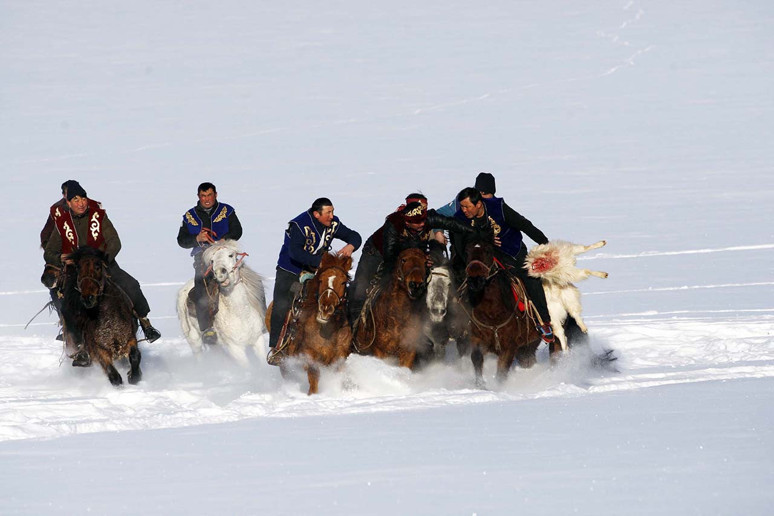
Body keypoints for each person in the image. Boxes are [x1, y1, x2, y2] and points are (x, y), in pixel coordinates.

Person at [43, 183, 161, 366]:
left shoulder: (99, 215)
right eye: (76, 200)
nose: (81, 203)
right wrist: (61, 257)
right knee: (68, 304)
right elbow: (49, 251)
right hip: (77, 271)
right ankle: (80, 346)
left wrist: (103, 259)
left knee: (131, 285)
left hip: (103, 265)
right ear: (69, 202)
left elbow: (115, 241)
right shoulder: (62, 222)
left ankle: (145, 322)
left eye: (83, 198)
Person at [449, 184, 555, 343]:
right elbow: (458, 245)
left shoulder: (498, 208)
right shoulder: (459, 218)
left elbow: (524, 224)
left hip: (511, 250)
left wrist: (545, 243)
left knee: (529, 276)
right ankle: (458, 325)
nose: (464, 210)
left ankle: (543, 322)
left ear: (478, 204)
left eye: (467, 207)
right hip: (477, 256)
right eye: (462, 206)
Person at [348, 193, 475, 322]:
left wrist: (475, 232)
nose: (422, 224)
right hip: (377, 253)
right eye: (417, 222)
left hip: (409, 254)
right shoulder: (394, 224)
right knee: (361, 289)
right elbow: (390, 255)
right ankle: (355, 326)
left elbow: (451, 223)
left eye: (423, 220)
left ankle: (419, 327)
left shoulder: (428, 218)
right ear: (407, 222)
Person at [268, 198, 361, 363]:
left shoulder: (333, 224)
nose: (332, 216)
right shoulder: (299, 225)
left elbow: (354, 235)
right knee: (282, 304)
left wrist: (351, 246)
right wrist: (317, 262)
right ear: (317, 214)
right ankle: (277, 347)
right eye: (328, 213)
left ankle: (350, 341)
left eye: (333, 212)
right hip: (291, 270)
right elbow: (295, 252)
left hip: (318, 271)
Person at [177, 182, 243, 345]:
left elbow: (238, 230)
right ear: (198, 197)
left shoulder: (227, 211)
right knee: (201, 285)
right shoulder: (189, 216)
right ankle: (207, 328)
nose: (206, 199)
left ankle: (257, 315)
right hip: (203, 257)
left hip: (226, 254)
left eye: (209, 195)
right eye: (203, 196)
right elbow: (181, 240)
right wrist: (196, 239)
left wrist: (225, 238)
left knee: (249, 280)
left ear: (216, 195)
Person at [433, 172, 497, 245]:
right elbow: (438, 214)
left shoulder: (496, 206)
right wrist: (438, 233)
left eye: (485, 194)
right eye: (479, 193)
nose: (482, 197)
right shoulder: (463, 201)